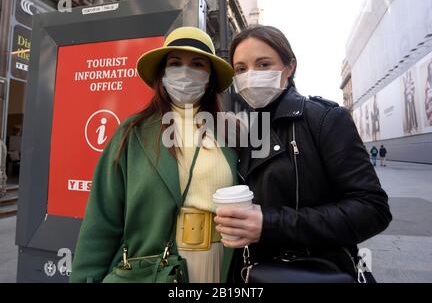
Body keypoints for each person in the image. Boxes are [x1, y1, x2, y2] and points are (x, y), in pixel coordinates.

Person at [214, 25, 392, 282]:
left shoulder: (324, 119)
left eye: (263, 64)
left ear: (290, 67)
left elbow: (372, 209)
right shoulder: (249, 129)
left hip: (314, 271)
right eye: (241, 69)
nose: (251, 75)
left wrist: (271, 223)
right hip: (253, 274)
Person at [70, 27, 238, 283]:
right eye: (175, 63)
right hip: (154, 272)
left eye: (197, 64)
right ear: (162, 73)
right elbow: (102, 220)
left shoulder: (230, 134)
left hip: (218, 266)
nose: (185, 72)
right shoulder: (132, 132)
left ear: (210, 76)